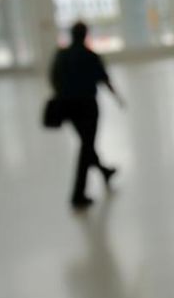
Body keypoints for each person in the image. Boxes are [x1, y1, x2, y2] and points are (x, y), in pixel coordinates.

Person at [50, 21, 124, 210]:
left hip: (68, 106)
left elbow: (54, 78)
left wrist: (62, 94)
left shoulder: (61, 55)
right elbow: (104, 79)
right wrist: (117, 98)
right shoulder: (90, 56)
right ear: (85, 35)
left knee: (86, 143)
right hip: (87, 106)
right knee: (86, 145)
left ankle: (104, 171)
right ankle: (78, 194)